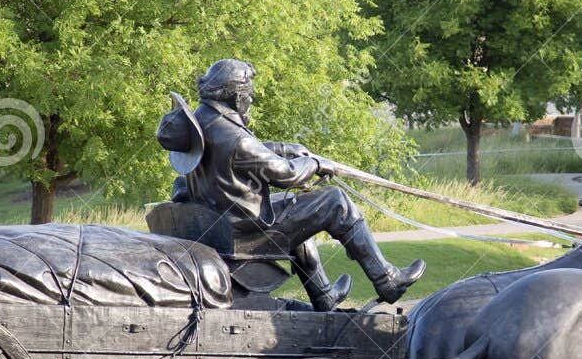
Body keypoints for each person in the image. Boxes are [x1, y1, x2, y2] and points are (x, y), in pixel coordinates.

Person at [160, 59, 423, 310]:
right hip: (242, 234)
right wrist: (316, 164)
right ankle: (387, 280)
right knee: (334, 201)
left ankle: (324, 295)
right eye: (250, 94)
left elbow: (238, 154)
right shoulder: (235, 137)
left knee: (295, 209)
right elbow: (286, 174)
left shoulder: (204, 120)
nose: (251, 99)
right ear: (237, 96)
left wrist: (288, 148)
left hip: (225, 221)